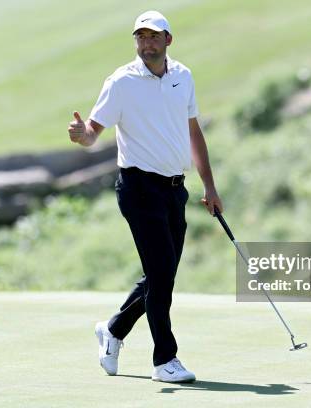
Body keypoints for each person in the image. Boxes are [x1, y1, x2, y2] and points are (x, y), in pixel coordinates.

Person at [67, 10, 223, 384]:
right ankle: (165, 360)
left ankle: (114, 330)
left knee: (162, 274)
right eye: (141, 36)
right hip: (138, 189)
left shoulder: (182, 77)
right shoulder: (121, 82)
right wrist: (82, 135)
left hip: (174, 190)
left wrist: (210, 185)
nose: (147, 42)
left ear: (168, 40)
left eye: (154, 36)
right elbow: (93, 130)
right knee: (162, 273)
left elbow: (193, 132)